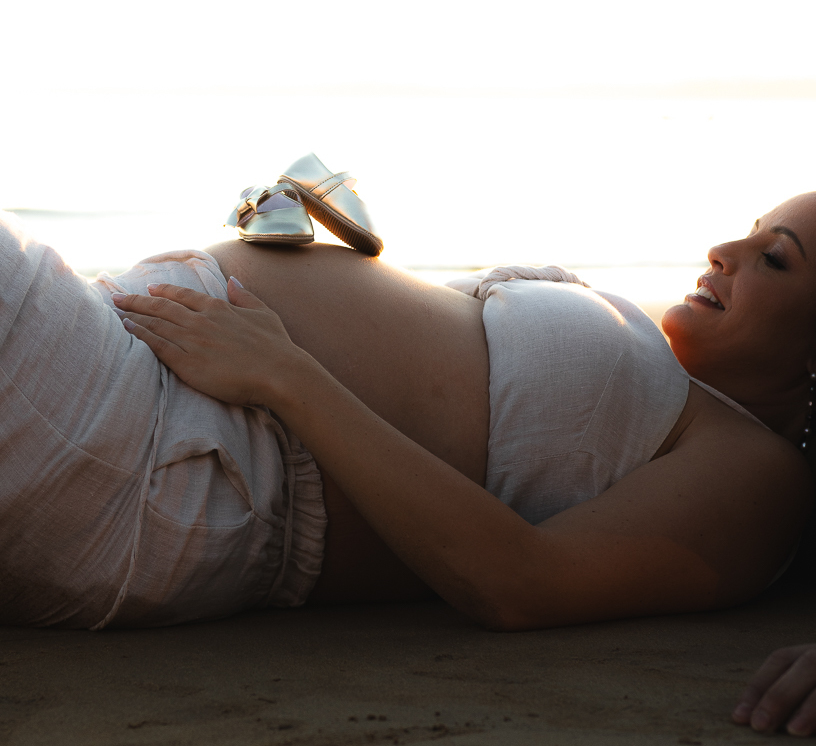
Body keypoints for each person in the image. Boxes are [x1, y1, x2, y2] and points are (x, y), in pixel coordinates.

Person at [1, 178, 814, 635]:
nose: (724, 251)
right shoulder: (664, 381)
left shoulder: (755, 471)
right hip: (138, 366)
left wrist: (287, 375)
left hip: (173, 453)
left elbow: (521, 581)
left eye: (775, 259)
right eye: (749, 231)